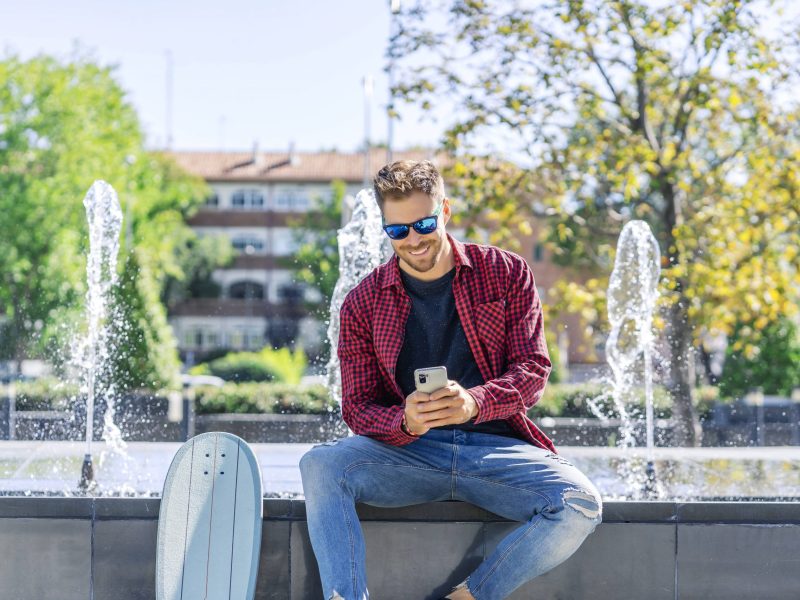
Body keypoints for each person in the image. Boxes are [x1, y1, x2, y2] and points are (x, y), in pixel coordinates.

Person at [299, 160, 603, 600]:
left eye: (423, 223)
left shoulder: (506, 272)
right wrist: (405, 422)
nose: (413, 240)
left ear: (445, 209)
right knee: (320, 465)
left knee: (580, 503)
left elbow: (533, 371)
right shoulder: (361, 303)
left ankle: (471, 595)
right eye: (397, 230)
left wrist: (475, 402)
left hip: (496, 450)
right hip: (409, 455)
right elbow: (358, 407)